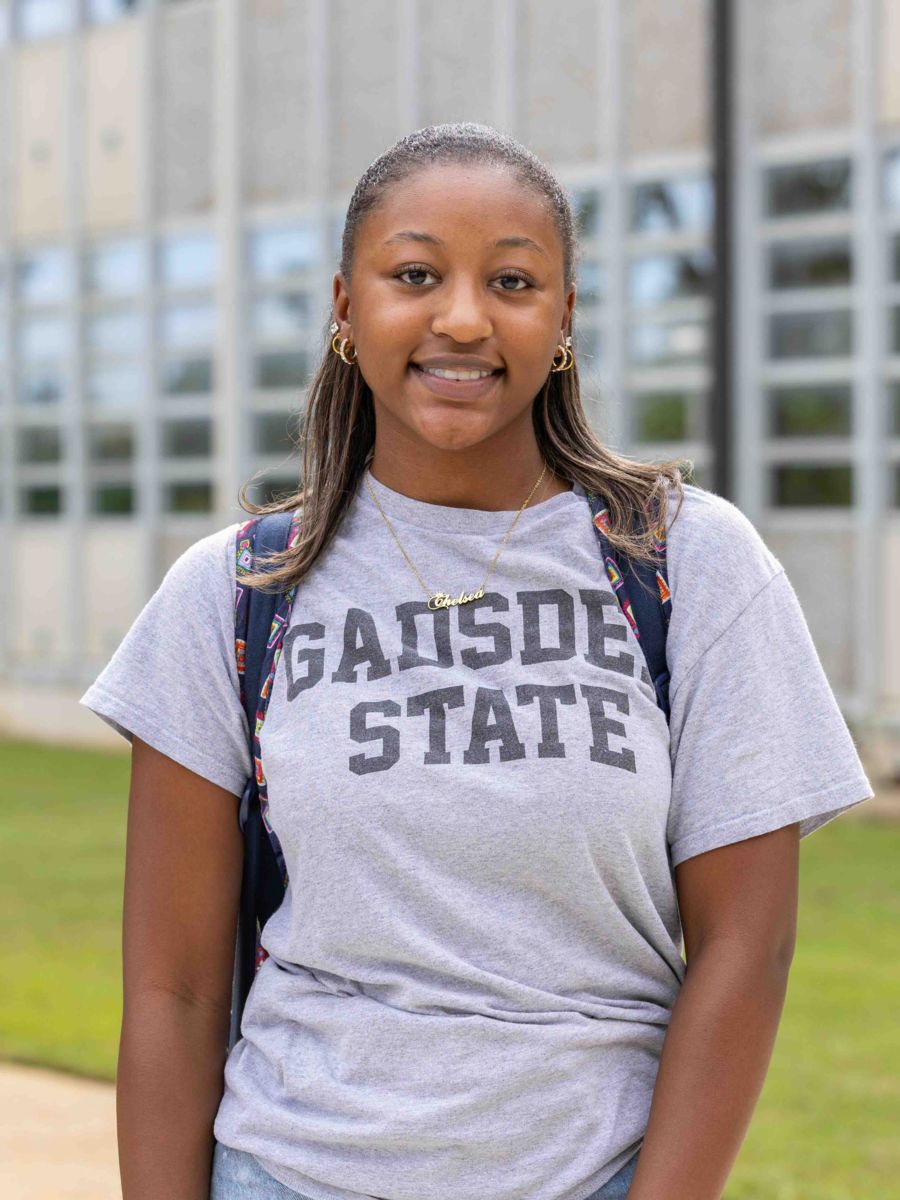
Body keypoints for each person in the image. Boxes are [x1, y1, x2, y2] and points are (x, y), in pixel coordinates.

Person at [80, 123, 874, 1200]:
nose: (462, 317)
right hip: (291, 1171)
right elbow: (170, 991)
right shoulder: (232, 594)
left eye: (512, 279)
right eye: (415, 275)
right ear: (347, 311)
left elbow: (747, 947)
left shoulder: (690, 564)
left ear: (563, 321)